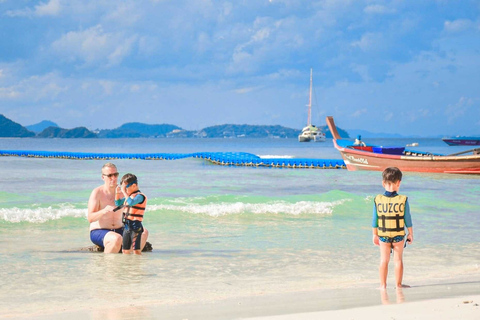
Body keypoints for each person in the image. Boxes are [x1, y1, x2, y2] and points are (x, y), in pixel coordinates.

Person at [87, 163, 148, 253]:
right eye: (110, 175)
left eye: (115, 175)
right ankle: (108, 265)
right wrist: (103, 211)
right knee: (116, 238)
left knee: (143, 232)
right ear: (103, 177)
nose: (114, 178)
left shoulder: (124, 191)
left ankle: (130, 263)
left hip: (120, 229)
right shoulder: (97, 192)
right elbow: (90, 218)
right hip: (100, 230)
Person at [372, 167, 413, 289]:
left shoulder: (378, 199)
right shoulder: (403, 200)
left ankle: (383, 285)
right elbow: (407, 218)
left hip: (383, 236)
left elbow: (375, 219)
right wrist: (410, 233)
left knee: (384, 260)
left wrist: (374, 234)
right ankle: (398, 285)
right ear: (399, 182)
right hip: (398, 236)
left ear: (383, 183)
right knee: (398, 260)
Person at [116, 173, 147, 255]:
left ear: (134, 185)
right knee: (125, 250)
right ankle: (128, 267)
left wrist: (124, 192)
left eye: (125, 188)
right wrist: (117, 193)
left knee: (136, 250)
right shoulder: (129, 196)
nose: (124, 190)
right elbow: (118, 203)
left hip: (135, 225)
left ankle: (137, 266)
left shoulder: (140, 196)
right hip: (127, 225)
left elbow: (131, 203)